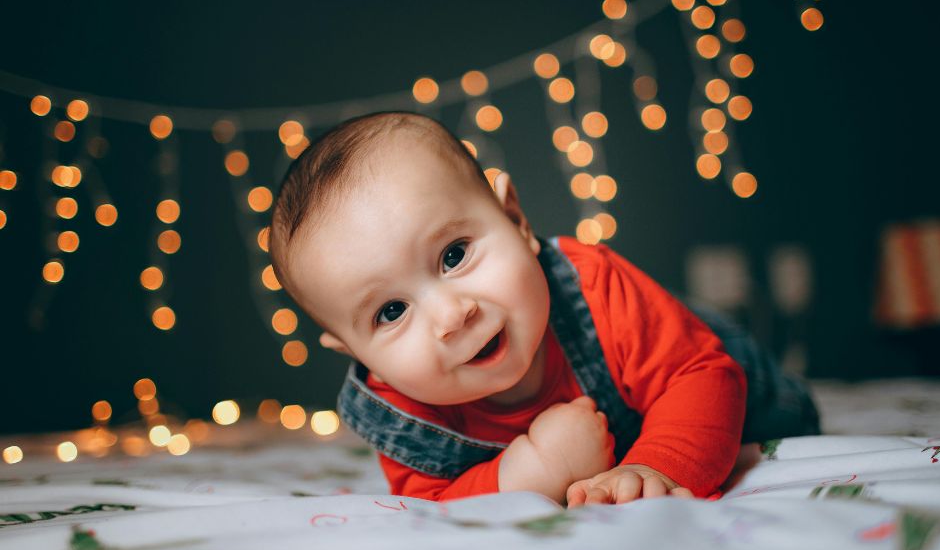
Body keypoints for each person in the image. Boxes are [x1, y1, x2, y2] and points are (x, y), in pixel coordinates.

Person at [268, 111, 820, 506]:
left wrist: (656, 467)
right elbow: (435, 501)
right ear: (355, 353)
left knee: (777, 415)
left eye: (454, 255)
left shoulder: (596, 287)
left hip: (731, 379)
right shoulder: (403, 415)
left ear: (515, 220)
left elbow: (700, 374)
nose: (451, 315)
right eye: (390, 312)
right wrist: (534, 472)